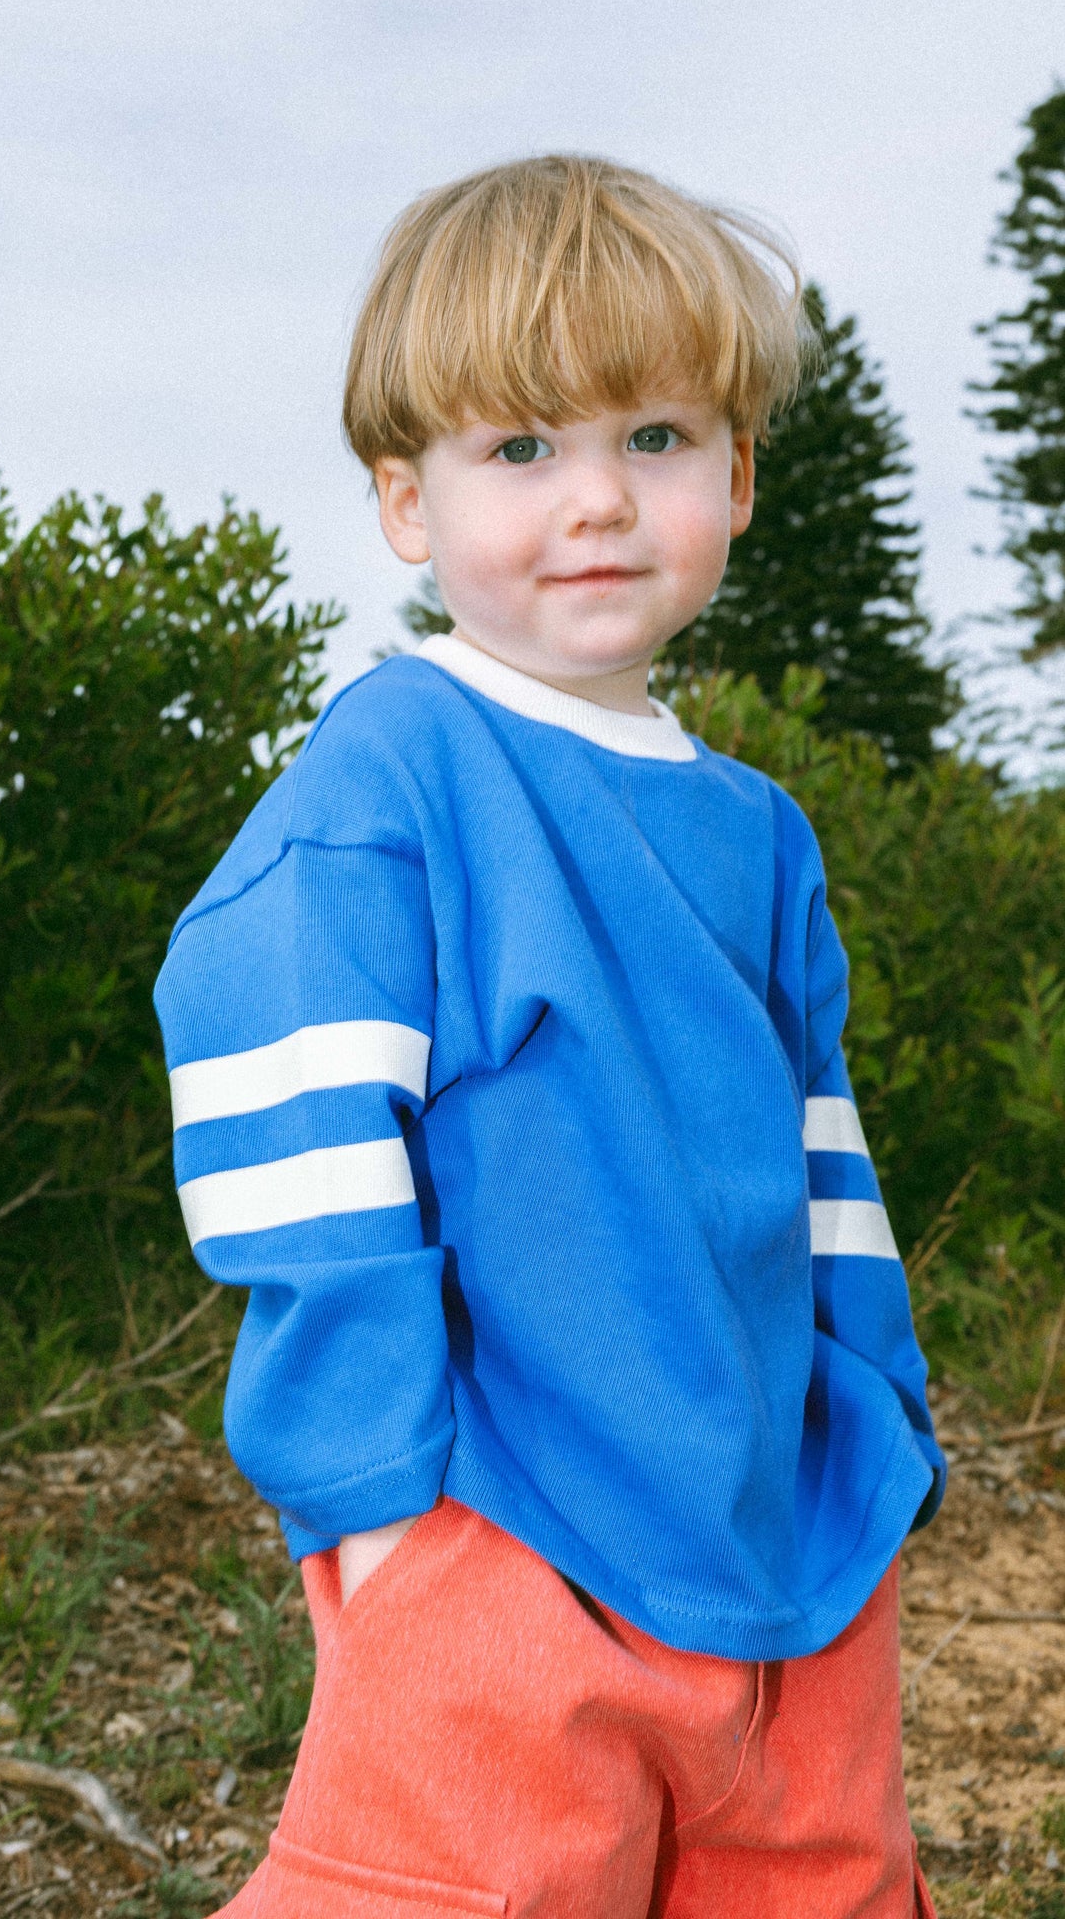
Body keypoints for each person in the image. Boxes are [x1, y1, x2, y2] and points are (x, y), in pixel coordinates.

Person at [153, 155, 945, 1918]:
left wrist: (876, 1401)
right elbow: (280, 1098)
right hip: (499, 1528)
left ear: (736, 476)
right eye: (520, 449)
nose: (595, 499)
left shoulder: (755, 829)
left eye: (655, 439)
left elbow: (818, 1146)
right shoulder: (396, 770)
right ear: (404, 502)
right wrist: (382, 1501)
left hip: (786, 1528)